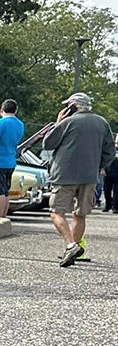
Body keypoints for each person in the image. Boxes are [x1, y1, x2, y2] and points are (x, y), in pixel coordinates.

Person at [44, 92, 116, 266]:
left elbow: (48, 143)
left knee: (56, 212)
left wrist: (58, 122)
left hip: (65, 174)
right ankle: (73, 251)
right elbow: (110, 152)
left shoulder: (68, 122)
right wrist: (99, 165)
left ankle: (70, 246)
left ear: (73, 107)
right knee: (80, 214)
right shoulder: (102, 123)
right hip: (89, 175)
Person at [104, 134, 118, 212]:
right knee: (107, 190)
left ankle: (115, 207)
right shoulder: (110, 147)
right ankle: (108, 205)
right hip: (108, 170)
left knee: (117, 190)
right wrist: (102, 169)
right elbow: (104, 157)